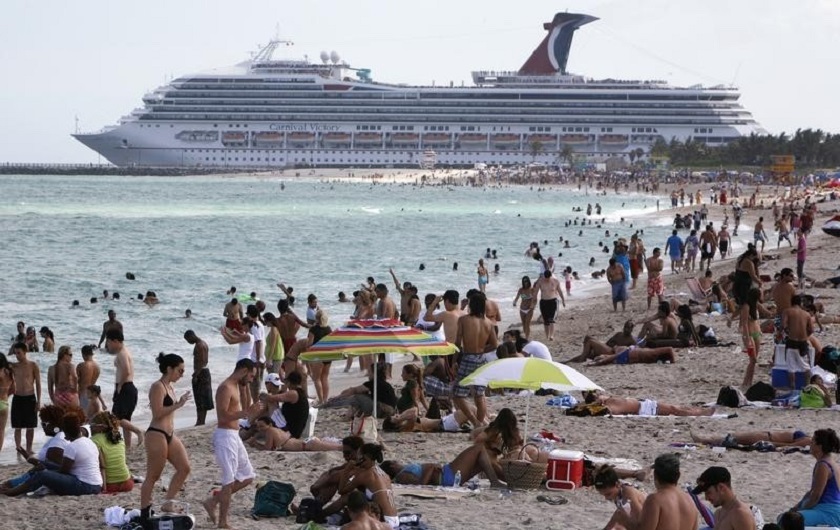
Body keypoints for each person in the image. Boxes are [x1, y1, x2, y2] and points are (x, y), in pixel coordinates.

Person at [203, 358, 257, 529]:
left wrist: (246, 403)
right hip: (225, 436)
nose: (251, 379)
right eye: (251, 376)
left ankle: (212, 501)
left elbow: (243, 409)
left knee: (248, 476)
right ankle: (223, 522)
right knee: (228, 481)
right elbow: (223, 416)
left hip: (234, 435)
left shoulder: (237, 386)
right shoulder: (225, 387)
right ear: (243, 370)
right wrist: (245, 412)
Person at [139, 353, 192, 524]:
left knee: (184, 468)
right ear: (169, 368)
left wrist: (179, 402)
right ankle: (145, 511)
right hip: (156, 434)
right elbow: (157, 412)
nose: (182, 374)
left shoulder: (170, 387)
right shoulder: (158, 386)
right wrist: (179, 404)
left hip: (170, 434)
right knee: (153, 476)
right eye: (180, 370)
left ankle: (168, 502)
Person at [4, 409, 102, 496]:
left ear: (67, 431)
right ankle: (15, 487)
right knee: (44, 467)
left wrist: (46, 470)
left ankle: (12, 492)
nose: (63, 435)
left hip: (85, 486)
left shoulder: (72, 447)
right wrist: (43, 465)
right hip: (96, 485)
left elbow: (64, 472)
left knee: (42, 475)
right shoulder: (89, 441)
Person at [322, 443, 399, 529]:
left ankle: (320, 515)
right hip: (394, 519)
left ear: (364, 457)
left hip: (384, 520)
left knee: (348, 497)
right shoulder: (382, 473)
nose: (356, 458)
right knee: (358, 496)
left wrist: (347, 470)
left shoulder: (366, 474)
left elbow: (341, 490)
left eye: (358, 455)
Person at [453, 293, 498, 428]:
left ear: (471, 305)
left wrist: (454, 361)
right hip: (481, 359)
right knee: (479, 395)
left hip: (468, 358)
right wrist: (481, 351)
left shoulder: (463, 320)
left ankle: (475, 422)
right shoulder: (489, 323)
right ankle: (479, 425)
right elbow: (494, 345)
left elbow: (457, 342)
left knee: (457, 394)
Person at [381, 441, 507, 489]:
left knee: (485, 461)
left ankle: (511, 481)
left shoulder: (404, 473)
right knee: (479, 448)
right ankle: (495, 482)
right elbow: (420, 485)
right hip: (447, 475)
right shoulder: (402, 475)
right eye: (396, 462)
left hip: (447, 475)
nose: (398, 462)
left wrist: (431, 469)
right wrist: (431, 468)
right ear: (392, 466)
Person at [787, 428, 840, 526]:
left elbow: (815, 496)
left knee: (787, 521)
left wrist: (800, 510)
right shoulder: (831, 462)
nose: (809, 445)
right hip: (830, 510)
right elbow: (812, 492)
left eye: (812, 442)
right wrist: (796, 507)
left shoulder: (823, 465)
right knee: (788, 516)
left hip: (828, 512)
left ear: (819, 446)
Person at [637, 453, 698, 530]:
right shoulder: (690, 501)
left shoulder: (655, 500)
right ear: (679, 475)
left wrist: (626, 520)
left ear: (655, 475)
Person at [691, 466, 755, 530]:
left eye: (708, 492)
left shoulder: (740, 515)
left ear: (721, 488)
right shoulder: (718, 514)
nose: (706, 498)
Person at [105, 329, 138, 450]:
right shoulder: (124, 351)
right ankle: (127, 446)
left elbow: (127, 370)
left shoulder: (122, 353)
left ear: (115, 341)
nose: (107, 344)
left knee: (115, 419)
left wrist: (120, 385)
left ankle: (138, 432)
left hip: (125, 387)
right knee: (125, 419)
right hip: (128, 387)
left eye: (108, 341)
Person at [309, 435, 365, 504]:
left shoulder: (362, 465)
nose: (345, 456)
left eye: (348, 453)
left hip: (365, 501)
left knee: (334, 482)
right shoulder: (356, 462)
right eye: (344, 453)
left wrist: (316, 487)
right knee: (331, 477)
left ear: (358, 451)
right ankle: (316, 505)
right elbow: (332, 471)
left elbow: (335, 477)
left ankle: (316, 506)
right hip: (360, 497)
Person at [89, 411, 133, 493]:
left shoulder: (94, 440)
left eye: (92, 425)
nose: (91, 427)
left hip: (110, 485)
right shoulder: (119, 438)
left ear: (101, 426)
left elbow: (99, 466)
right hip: (127, 483)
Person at [593, 464, 647, 530]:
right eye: (604, 495)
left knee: (619, 516)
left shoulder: (628, 492)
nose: (606, 498)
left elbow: (642, 518)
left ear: (617, 484)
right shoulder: (618, 493)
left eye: (608, 494)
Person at [10, 342, 40, 455]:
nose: (17, 355)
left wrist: (39, 401)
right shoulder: (13, 366)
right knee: (17, 426)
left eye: (19, 353)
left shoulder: (33, 365)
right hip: (17, 397)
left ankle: (28, 448)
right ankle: (18, 448)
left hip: (30, 398)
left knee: (30, 426)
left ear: (25, 352)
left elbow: (38, 384)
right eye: (15, 353)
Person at [247, 416, 341, 452]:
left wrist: (255, 444)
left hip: (308, 445)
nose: (259, 429)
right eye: (258, 427)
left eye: (262, 426)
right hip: (307, 442)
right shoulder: (275, 430)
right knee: (339, 447)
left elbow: (267, 449)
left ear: (270, 424)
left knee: (340, 448)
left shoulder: (270, 431)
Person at [262, 370, 310, 439]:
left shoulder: (293, 393)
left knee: (270, 402)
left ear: (290, 382)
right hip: (293, 429)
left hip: (289, 431)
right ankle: (252, 422)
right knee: (269, 404)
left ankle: (248, 422)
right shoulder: (300, 393)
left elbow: (271, 398)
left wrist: (262, 395)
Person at [564, 321, 638, 363]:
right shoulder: (619, 334)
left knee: (590, 341)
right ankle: (570, 360)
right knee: (588, 337)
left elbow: (630, 353)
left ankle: (582, 358)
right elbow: (608, 342)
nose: (626, 330)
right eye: (625, 327)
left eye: (628, 328)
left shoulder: (631, 340)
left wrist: (616, 347)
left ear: (632, 329)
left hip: (611, 353)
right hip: (608, 348)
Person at [585, 392, 711, 416]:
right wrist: (597, 405)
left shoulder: (607, 399)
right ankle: (701, 413)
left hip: (644, 403)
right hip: (645, 409)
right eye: (595, 396)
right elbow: (608, 411)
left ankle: (698, 410)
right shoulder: (609, 405)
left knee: (676, 407)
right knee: (674, 409)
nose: (598, 394)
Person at [783, 295, 815, 388]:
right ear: (800, 303)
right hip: (803, 342)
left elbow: (784, 325)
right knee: (806, 366)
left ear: (791, 302)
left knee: (791, 367)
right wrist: (805, 336)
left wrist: (789, 333)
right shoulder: (806, 314)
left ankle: (792, 387)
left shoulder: (787, 311)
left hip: (792, 341)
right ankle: (808, 387)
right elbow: (811, 329)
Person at [184, 330, 213, 426]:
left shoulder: (200, 345)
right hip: (203, 372)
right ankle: (200, 420)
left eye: (188, 340)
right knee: (202, 398)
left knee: (201, 398)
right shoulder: (202, 343)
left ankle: (200, 421)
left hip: (201, 373)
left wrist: (196, 375)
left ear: (191, 336)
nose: (188, 342)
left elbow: (203, 361)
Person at [307, 309, 333, 405]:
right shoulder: (328, 329)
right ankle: (325, 399)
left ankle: (321, 400)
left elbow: (309, 344)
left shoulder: (313, 329)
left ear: (316, 318)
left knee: (316, 378)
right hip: (328, 356)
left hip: (318, 356)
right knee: (325, 378)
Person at [533, 270, 565, 341]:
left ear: (551, 276)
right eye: (545, 277)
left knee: (551, 319)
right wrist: (533, 302)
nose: (546, 279)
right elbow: (535, 292)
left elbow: (560, 291)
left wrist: (563, 300)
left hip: (553, 301)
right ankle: (547, 336)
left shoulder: (555, 281)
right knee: (545, 320)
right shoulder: (540, 281)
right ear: (544, 276)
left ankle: (552, 335)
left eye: (548, 278)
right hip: (543, 302)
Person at [690, 429, 812, 448]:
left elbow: (789, 446)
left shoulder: (809, 441)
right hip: (767, 435)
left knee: (734, 438)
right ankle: (706, 440)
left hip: (767, 437)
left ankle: (704, 440)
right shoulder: (810, 439)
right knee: (735, 437)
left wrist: (769, 442)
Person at [76, 345, 100, 412]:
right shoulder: (97, 367)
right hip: (93, 395)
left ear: (83, 354)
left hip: (83, 395)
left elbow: (75, 382)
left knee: (81, 418)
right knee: (90, 418)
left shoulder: (81, 365)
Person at [0, 353, 14, 453]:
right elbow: (14, 390)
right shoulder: (9, 373)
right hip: (4, 404)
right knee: (1, 431)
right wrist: (5, 396)